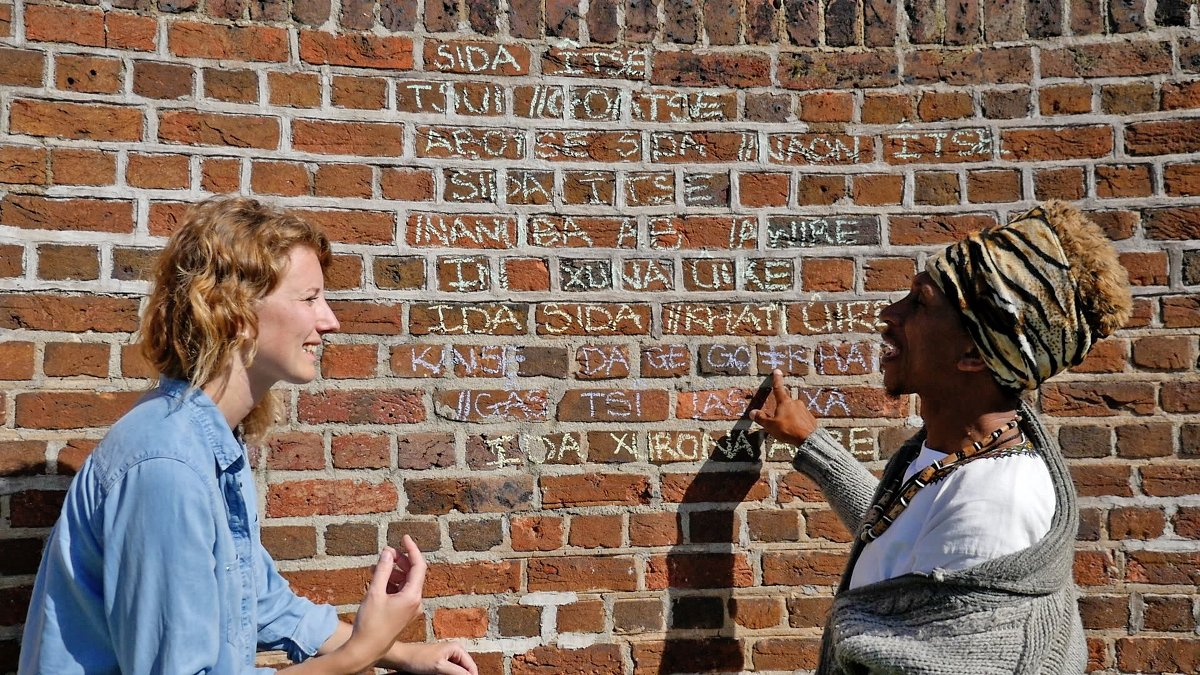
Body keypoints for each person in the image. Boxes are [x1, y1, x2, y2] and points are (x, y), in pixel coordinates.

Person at [20, 197, 478, 675]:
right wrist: (358, 653)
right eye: (309, 298)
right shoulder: (167, 469)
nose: (330, 320)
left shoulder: (209, 443)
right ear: (236, 313)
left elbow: (260, 603)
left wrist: (400, 652)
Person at [751, 202, 1132, 674]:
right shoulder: (958, 456)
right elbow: (901, 541)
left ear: (973, 352)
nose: (889, 314)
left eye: (920, 302)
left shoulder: (994, 506)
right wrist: (811, 442)